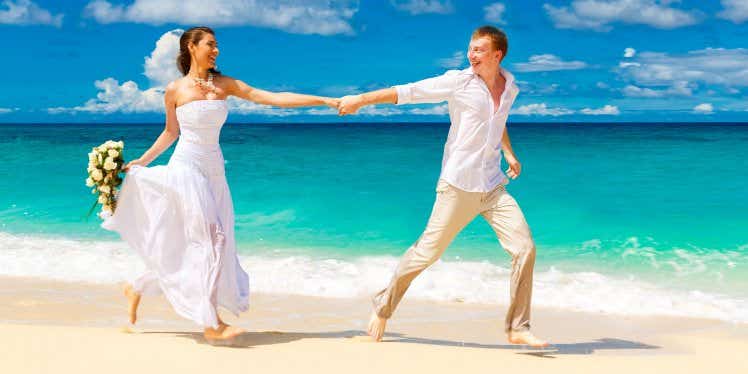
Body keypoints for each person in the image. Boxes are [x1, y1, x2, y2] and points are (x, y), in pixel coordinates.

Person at [102, 26, 339, 344]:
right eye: (210, 45)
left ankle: (137, 287)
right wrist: (141, 162)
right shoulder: (175, 90)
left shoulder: (224, 84)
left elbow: (272, 98)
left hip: (215, 173)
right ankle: (211, 322)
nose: (216, 50)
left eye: (217, 46)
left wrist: (322, 100)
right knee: (211, 239)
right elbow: (171, 132)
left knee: (200, 243)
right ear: (191, 46)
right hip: (186, 170)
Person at [337, 25, 548, 347]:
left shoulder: (510, 87)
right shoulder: (459, 82)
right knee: (425, 254)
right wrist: (361, 100)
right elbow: (406, 92)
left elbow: (498, 120)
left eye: (479, 50)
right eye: (470, 49)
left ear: (497, 55)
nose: (471, 54)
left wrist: (508, 152)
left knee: (525, 249)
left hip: (492, 186)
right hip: (458, 185)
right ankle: (383, 306)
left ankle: (518, 326)